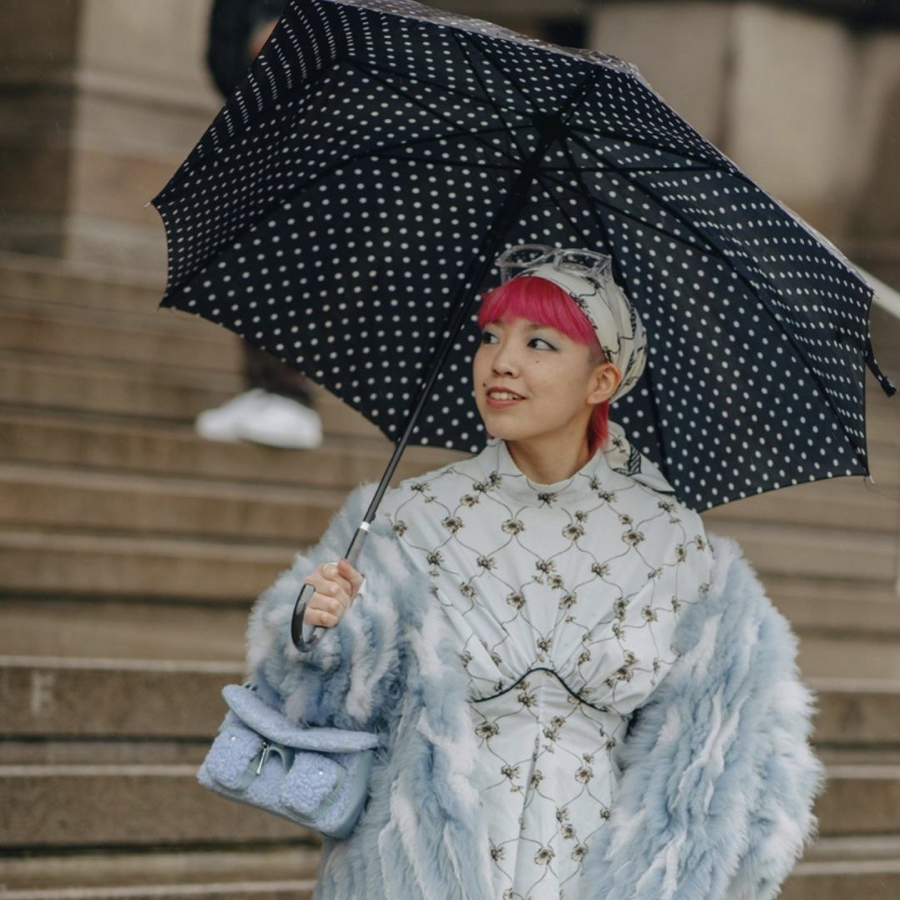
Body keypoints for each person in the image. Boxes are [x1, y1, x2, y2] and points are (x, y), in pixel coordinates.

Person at [244, 245, 826, 899]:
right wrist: (318, 628)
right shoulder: (410, 518)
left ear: (601, 381)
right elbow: (312, 715)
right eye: (490, 336)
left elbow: (740, 763)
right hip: (422, 866)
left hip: (596, 868)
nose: (501, 361)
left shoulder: (676, 546)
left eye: (540, 343)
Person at [197, 0, 323, 449]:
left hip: (318, 137)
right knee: (250, 256)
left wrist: (298, 43)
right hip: (256, 131)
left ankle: (292, 392)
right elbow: (221, 58)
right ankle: (265, 384)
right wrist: (252, 50)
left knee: (288, 256)